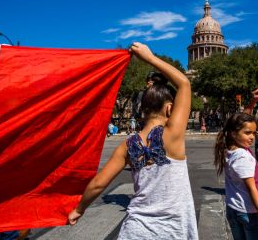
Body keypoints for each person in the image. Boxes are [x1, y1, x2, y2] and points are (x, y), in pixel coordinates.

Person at [68, 42, 198, 239]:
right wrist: (150, 58)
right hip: (173, 230)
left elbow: (98, 184)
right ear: (169, 109)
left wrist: (79, 208)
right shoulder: (173, 134)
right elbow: (184, 83)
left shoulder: (127, 146)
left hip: (135, 230)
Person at [214, 113, 258, 240]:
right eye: (247, 133)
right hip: (248, 212)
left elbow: (237, 120)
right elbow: (251, 187)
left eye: (254, 133)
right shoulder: (243, 156)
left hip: (233, 208)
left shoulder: (229, 148)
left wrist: (252, 101)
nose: (252, 137)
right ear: (234, 133)